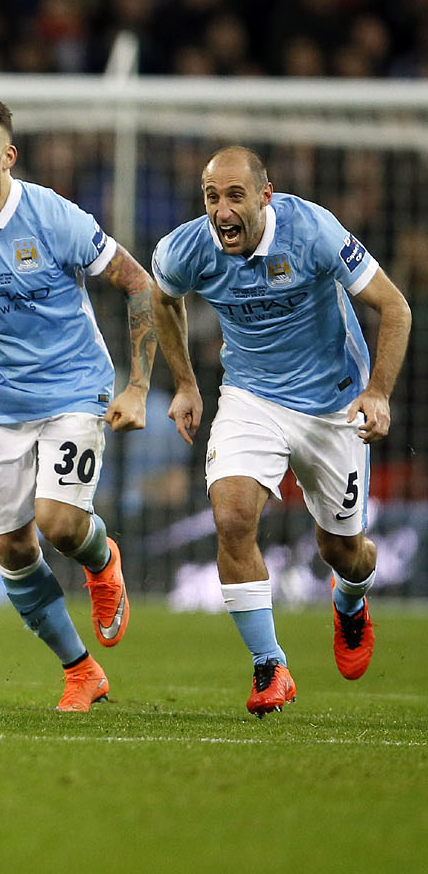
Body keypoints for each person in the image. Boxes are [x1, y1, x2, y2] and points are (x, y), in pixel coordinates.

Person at [0, 97, 149, 712]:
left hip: (73, 388)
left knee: (60, 523)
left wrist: (139, 384)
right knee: (12, 550)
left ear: (7, 157)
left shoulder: (53, 217)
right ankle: (80, 670)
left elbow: (138, 283)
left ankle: (101, 557)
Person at [151, 146, 412, 716]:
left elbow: (395, 308)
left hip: (333, 405)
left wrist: (379, 393)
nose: (221, 210)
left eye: (235, 196)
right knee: (233, 516)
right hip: (251, 397)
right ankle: (270, 666)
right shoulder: (186, 248)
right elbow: (161, 298)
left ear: (265, 197)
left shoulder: (314, 231)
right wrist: (187, 384)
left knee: (342, 551)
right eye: (212, 197)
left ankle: (350, 601)